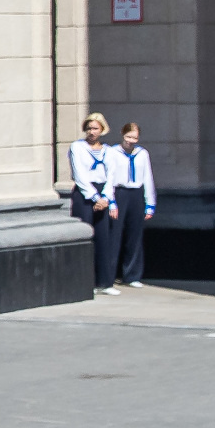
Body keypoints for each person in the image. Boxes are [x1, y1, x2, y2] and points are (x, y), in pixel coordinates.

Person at [67, 112, 121, 296]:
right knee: (85, 235)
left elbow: (111, 175)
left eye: (95, 128)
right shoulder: (77, 147)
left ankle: (104, 282)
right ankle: (84, 280)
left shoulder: (109, 151)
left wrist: (105, 198)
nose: (92, 131)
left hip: (102, 195)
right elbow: (80, 175)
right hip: (85, 194)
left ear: (102, 130)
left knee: (103, 238)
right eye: (89, 128)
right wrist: (94, 197)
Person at [115, 121, 156, 288]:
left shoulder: (142, 154)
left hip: (136, 193)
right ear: (122, 135)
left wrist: (150, 203)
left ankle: (132, 275)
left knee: (135, 235)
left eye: (135, 138)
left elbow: (148, 178)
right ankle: (111, 273)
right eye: (128, 137)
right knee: (116, 233)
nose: (131, 141)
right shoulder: (113, 152)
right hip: (120, 192)